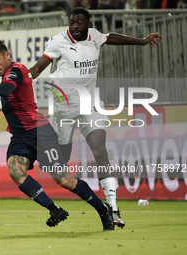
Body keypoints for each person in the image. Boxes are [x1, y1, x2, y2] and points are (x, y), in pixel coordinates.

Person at [0, 40, 115, 231]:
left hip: (40, 134)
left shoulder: (17, 70)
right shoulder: (7, 74)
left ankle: (104, 210)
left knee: (64, 180)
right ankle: (54, 209)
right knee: (15, 170)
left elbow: (5, 90)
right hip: (20, 137)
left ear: (7, 55)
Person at [29, 7, 163, 229]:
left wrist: (141, 41)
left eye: (80, 22)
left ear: (88, 23)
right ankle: (40, 153)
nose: (76, 26)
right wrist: (18, 81)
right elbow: (37, 68)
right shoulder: (57, 42)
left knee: (100, 150)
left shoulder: (94, 36)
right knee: (59, 165)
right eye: (73, 22)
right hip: (63, 110)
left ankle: (113, 208)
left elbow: (111, 38)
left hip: (89, 104)